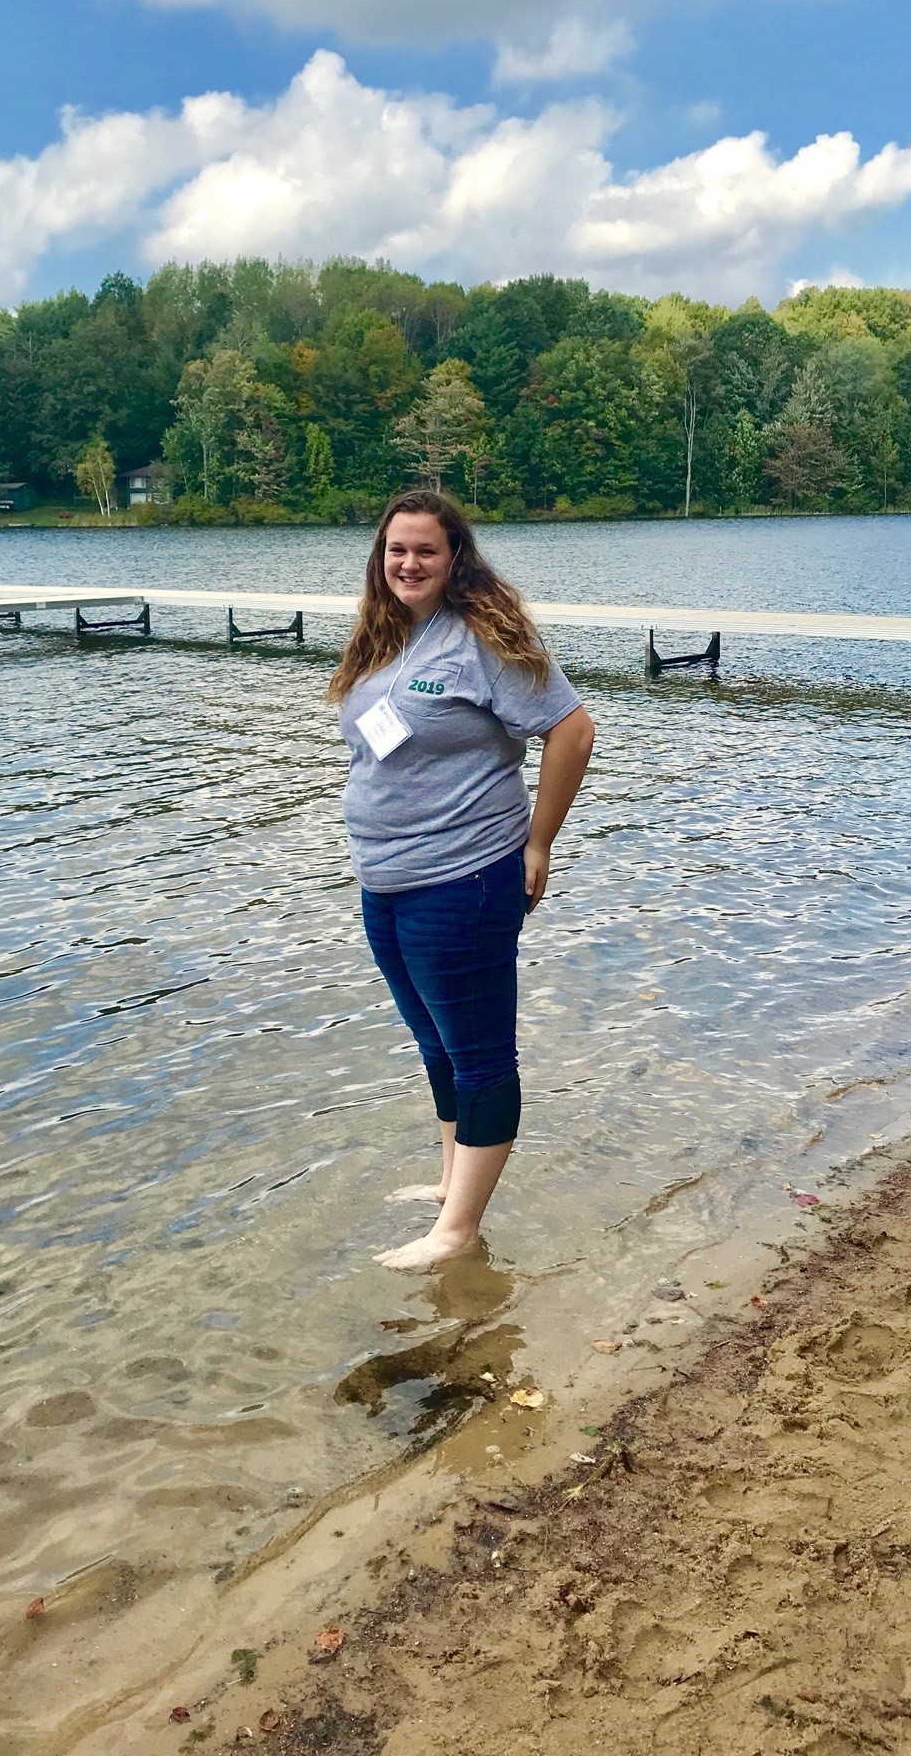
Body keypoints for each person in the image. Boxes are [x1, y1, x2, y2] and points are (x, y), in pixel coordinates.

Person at [329, 490, 595, 1271]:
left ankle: (460, 1232)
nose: (408, 564)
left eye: (426, 551)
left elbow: (571, 729)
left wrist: (539, 843)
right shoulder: (382, 638)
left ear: (455, 560)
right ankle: (452, 1187)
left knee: (479, 1055)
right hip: (386, 879)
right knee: (435, 1045)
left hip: (465, 879)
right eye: (395, 551)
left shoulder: (482, 639)